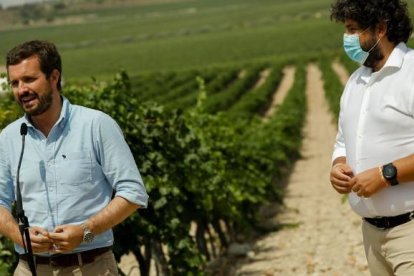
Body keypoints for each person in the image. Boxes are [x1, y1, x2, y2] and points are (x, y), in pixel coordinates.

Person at [0, 40, 149, 275]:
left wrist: (85, 232)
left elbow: (133, 193)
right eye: (15, 83)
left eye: (29, 79)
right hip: (30, 269)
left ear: (54, 77)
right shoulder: (8, 137)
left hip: (91, 267)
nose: (21, 90)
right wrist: (19, 235)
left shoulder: (96, 125)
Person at [329, 0, 414, 275]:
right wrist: (337, 166)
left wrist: (385, 175)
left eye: (353, 29)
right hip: (372, 236)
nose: (348, 38)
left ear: (380, 29)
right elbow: (343, 140)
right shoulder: (355, 82)